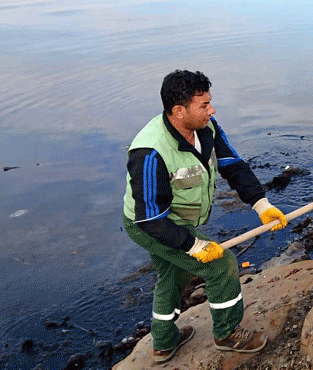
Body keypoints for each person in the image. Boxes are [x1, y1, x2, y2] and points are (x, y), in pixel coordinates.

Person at [122, 70, 288, 364]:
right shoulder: (149, 151)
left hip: (173, 220)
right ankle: (227, 334)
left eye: (210, 102)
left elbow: (233, 166)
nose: (211, 110)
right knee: (221, 264)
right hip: (150, 224)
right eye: (203, 105)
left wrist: (261, 204)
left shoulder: (207, 128)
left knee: (173, 273)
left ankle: (163, 342)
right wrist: (193, 246)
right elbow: (149, 220)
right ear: (178, 111)